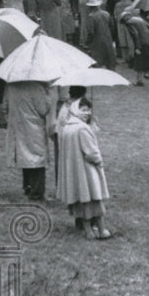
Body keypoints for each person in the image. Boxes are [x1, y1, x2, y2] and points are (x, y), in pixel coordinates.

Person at [56, 98, 112, 239]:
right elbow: (91, 152)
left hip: (74, 172)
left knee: (81, 202)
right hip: (87, 172)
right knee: (94, 201)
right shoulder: (82, 128)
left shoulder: (67, 127)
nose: (87, 113)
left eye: (89, 110)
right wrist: (99, 161)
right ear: (76, 110)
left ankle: (88, 231)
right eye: (84, 110)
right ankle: (101, 230)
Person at [5, 80, 52, 201]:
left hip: (17, 124)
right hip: (33, 126)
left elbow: (6, 105)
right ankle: (37, 192)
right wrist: (47, 93)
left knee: (24, 154)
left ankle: (28, 186)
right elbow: (43, 109)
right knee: (36, 156)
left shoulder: (12, 85)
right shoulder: (37, 87)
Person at [121, 11, 149, 90]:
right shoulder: (140, 19)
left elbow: (135, 35)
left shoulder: (129, 23)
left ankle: (141, 80)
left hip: (142, 44)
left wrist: (137, 47)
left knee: (142, 62)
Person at [84, 0, 115, 69]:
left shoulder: (91, 17)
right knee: (109, 59)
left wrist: (88, 42)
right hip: (108, 38)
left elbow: (91, 32)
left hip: (97, 40)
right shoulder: (106, 14)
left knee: (97, 60)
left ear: (91, 7)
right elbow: (112, 26)